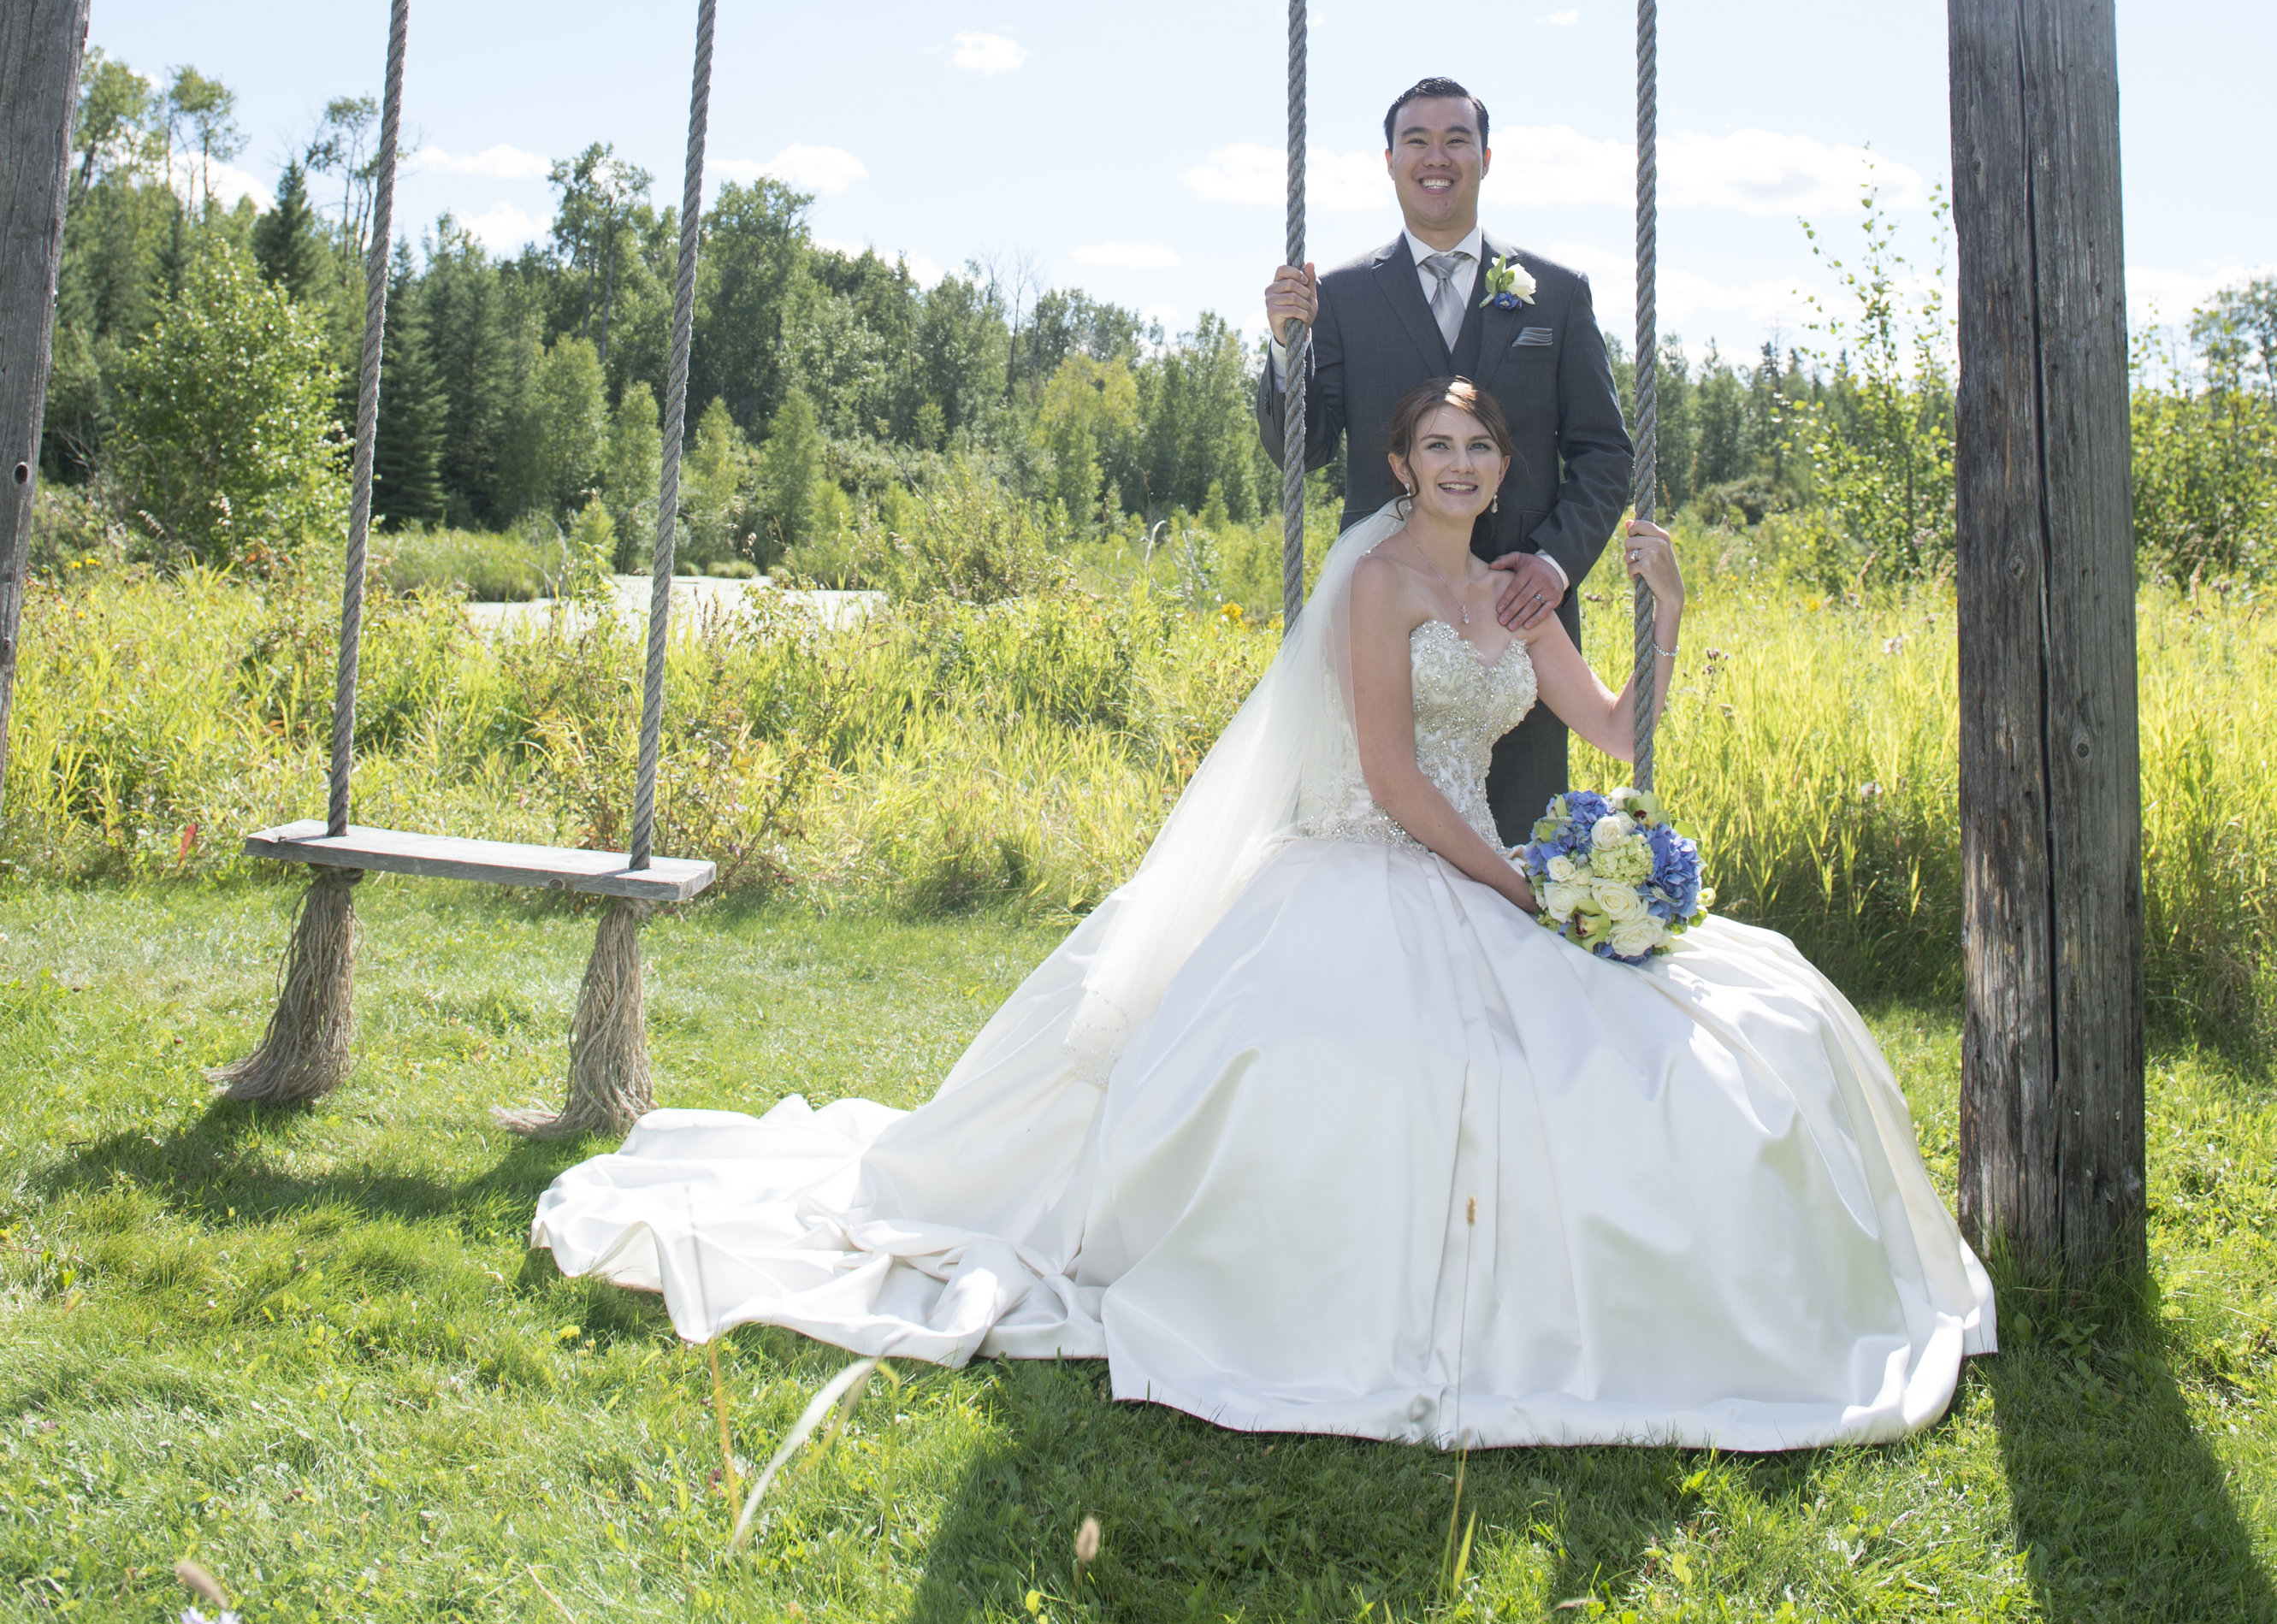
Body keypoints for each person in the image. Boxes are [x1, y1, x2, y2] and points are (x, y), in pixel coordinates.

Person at [534, 378, 1993, 1450]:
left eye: (1481, 447)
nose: (1461, 465)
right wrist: (1516, 887)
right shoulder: (1377, 587)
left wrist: (1665, 610)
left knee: (1724, 1018)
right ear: (1402, 463)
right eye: (1438, 446)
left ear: (1502, 466)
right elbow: (1390, 780)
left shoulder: (1518, 593)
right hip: (1375, 857)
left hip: (1485, 860)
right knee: (1378, 1067)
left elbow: (1615, 734)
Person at [1259, 74, 1631, 839]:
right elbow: (1305, 449)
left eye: (1457, 140)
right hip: (1386, 620)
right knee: (1376, 830)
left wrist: (1553, 565)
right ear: (1390, 161)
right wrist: (1286, 347)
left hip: (1518, 629)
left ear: (1485, 159)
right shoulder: (1340, 296)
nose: (1438, 157)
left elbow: (1604, 454)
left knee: (1522, 846)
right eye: (1417, 141)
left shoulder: (1557, 294)